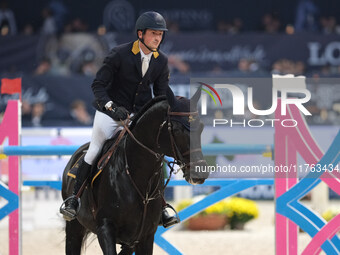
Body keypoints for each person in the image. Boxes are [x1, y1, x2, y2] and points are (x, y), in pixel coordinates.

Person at [60, 11, 180, 228]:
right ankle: (74, 199)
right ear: (140, 34)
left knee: (155, 155)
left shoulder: (160, 61)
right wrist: (111, 107)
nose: (158, 39)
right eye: (154, 34)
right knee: (95, 149)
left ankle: (161, 205)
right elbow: (98, 86)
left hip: (137, 118)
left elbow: (161, 95)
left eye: (161, 35)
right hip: (110, 114)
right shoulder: (119, 54)